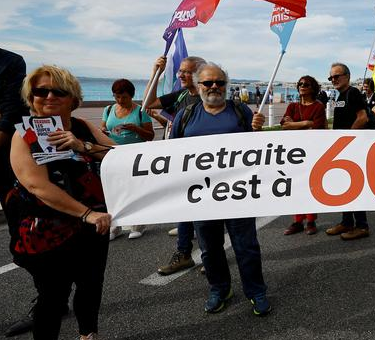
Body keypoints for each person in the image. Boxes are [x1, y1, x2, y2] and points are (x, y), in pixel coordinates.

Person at [8, 65, 117, 340]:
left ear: (73, 98)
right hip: (47, 230)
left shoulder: (83, 126)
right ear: (31, 98)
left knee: (90, 284)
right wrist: (86, 214)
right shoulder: (24, 135)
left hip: (94, 224)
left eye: (58, 91)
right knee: (52, 296)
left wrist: (81, 146)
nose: (49, 97)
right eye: (41, 91)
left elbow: (119, 156)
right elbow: (37, 185)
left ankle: (88, 336)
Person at [170, 62, 271, 315]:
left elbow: (259, 150)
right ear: (197, 85)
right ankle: (219, 289)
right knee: (210, 248)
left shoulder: (240, 111)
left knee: (246, 247)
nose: (214, 87)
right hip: (202, 196)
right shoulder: (186, 116)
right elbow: (171, 154)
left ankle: (256, 292)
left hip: (238, 193)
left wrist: (258, 130)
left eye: (220, 82)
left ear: (226, 85)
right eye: (208, 82)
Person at [143, 55, 206, 275]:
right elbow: (147, 105)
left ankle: (210, 257)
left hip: (205, 165)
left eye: (186, 71)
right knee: (185, 210)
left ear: (200, 73)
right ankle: (184, 254)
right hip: (183, 163)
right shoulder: (181, 96)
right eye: (180, 71)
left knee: (207, 213)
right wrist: (156, 73)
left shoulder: (209, 98)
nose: (181, 75)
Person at [0, 47, 37, 339]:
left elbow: (11, 116)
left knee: (24, 240)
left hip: (8, 168)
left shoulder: (9, 62)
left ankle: (48, 299)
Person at [101, 78, 155, 240]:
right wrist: (103, 131)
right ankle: (115, 226)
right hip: (113, 154)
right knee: (113, 191)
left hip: (135, 156)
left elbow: (150, 136)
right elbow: (104, 127)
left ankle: (138, 223)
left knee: (134, 190)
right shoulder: (109, 109)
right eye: (117, 97)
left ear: (131, 96)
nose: (120, 100)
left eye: (124, 97)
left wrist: (136, 129)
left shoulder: (140, 111)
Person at [325, 62, 371, 241]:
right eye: (331, 77)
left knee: (353, 186)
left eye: (337, 76)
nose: (333, 79)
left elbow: (363, 118)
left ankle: (362, 225)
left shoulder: (353, 93)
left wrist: (348, 140)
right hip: (342, 147)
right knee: (344, 185)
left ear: (347, 76)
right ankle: (346, 221)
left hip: (351, 146)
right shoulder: (340, 95)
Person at [281, 76, 326, 235]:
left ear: (313, 88)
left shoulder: (318, 107)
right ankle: (297, 221)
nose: (302, 86)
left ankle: (311, 220)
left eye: (306, 84)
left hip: (312, 151)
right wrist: (307, 123)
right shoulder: (293, 106)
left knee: (309, 186)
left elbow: (318, 128)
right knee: (296, 186)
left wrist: (297, 125)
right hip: (294, 152)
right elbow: (285, 126)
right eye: (300, 84)